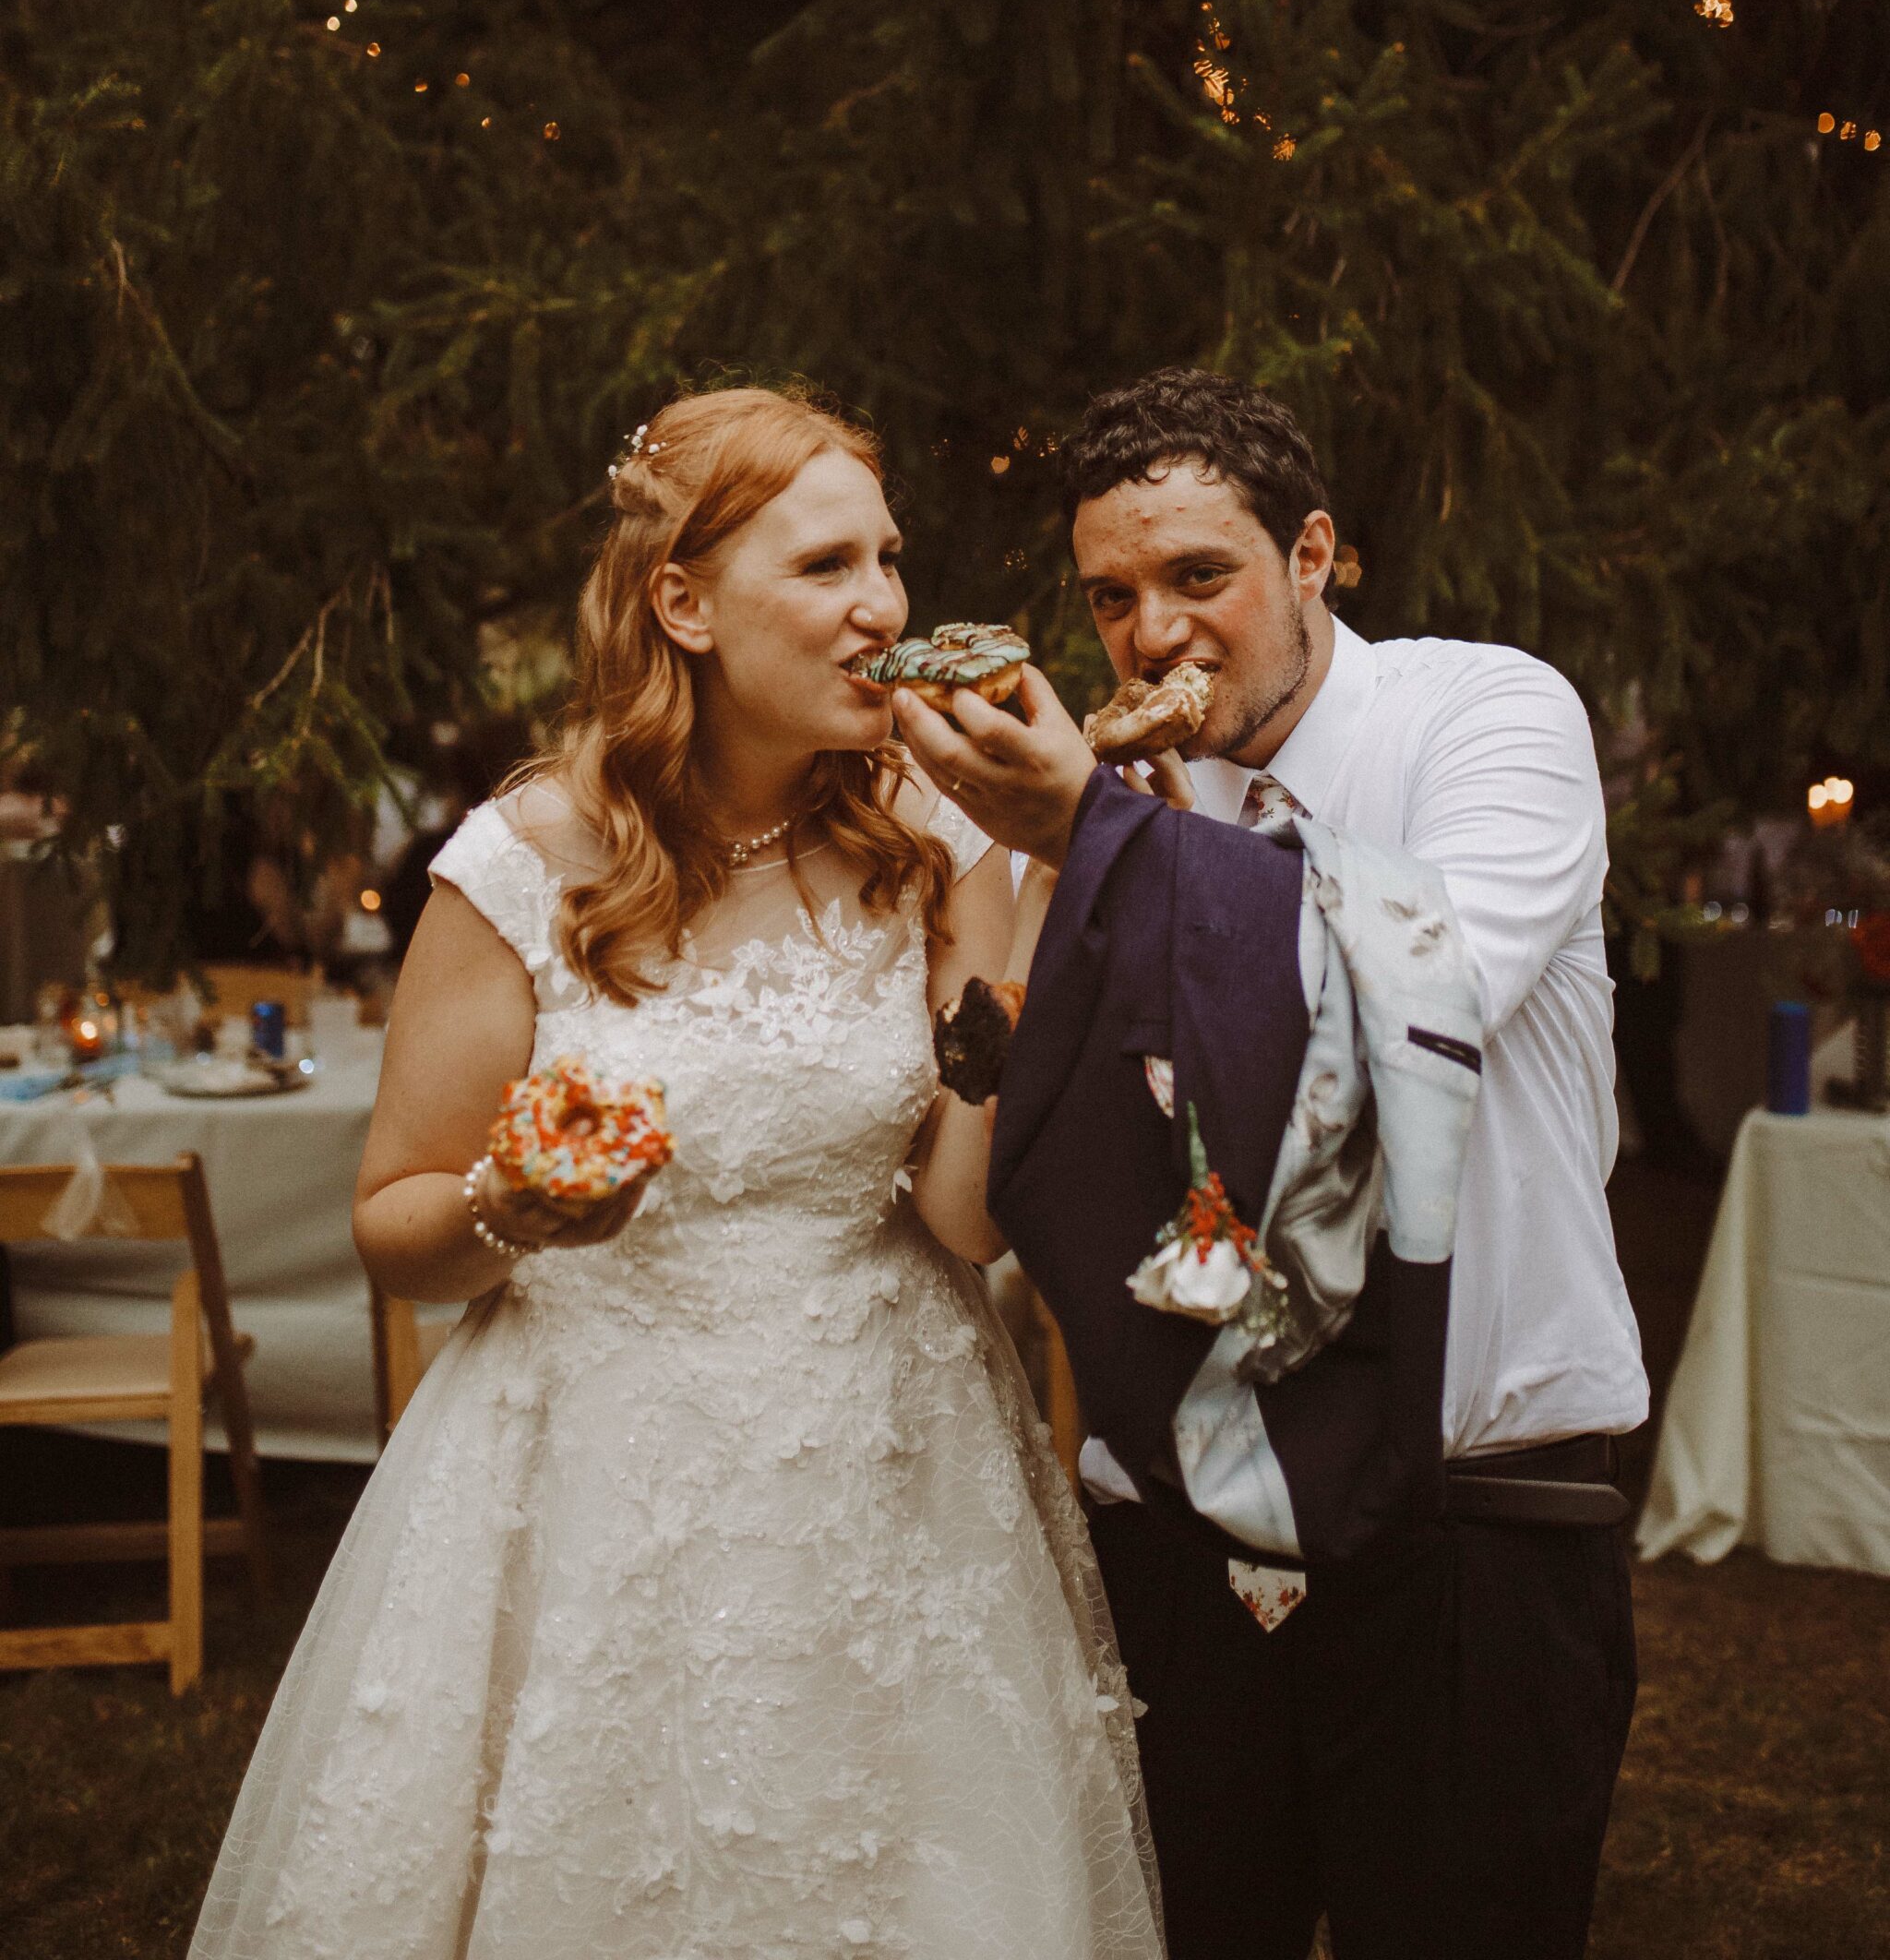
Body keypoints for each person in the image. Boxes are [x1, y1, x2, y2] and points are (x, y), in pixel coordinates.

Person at [189, 387, 1163, 1960]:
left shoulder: (938, 836)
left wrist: (1026, 948)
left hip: (890, 1465)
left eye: (891, 560)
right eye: (828, 566)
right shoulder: (525, 859)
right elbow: (398, 1224)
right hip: (591, 1473)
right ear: (684, 602)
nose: (886, 608)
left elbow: (962, 1218)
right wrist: (515, 1209)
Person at [895, 366, 1647, 1960]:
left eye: (1198, 578)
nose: (1153, 634)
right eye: (1113, 596)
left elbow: (1412, 993)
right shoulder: (1092, 808)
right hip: (1175, 1533)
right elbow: (1008, 1178)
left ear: (1314, 558)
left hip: (1474, 1519)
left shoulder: (1488, 717)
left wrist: (1095, 839)